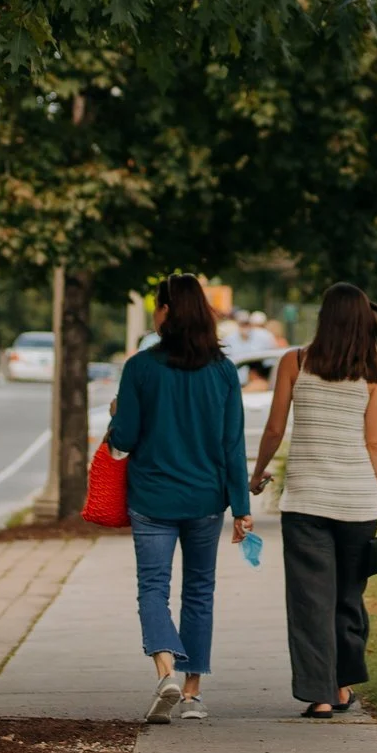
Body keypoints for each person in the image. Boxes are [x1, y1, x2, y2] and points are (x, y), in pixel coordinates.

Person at [250, 283, 377, 719]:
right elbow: (376, 442)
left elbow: (275, 429)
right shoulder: (372, 370)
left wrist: (258, 473)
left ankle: (319, 696)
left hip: (307, 502)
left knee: (309, 601)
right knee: (348, 598)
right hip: (357, 505)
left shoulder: (295, 361)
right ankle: (341, 686)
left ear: (324, 317)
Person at [107, 274, 251, 723]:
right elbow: (233, 444)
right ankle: (192, 695)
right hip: (206, 498)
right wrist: (242, 507)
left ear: (167, 311)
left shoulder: (141, 368)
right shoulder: (223, 371)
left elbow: (125, 439)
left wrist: (117, 416)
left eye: (156, 305)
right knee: (199, 592)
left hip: (152, 495)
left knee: (153, 588)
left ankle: (165, 671)